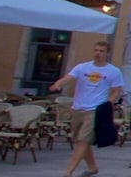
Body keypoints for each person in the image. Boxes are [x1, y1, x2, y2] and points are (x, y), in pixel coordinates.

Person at [49, 41, 124, 177]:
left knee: (84, 140)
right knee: (80, 140)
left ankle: (68, 172)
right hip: (78, 107)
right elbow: (69, 77)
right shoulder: (82, 67)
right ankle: (92, 167)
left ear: (107, 53)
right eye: (96, 50)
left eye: (101, 51)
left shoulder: (114, 71)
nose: (98, 53)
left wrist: (108, 104)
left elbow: (116, 90)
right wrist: (59, 83)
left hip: (95, 109)